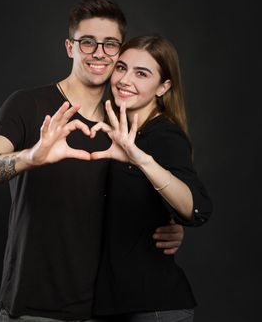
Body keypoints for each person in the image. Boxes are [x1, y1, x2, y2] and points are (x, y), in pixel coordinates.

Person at [0, 0, 185, 322]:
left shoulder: (127, 122)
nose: (99, 53)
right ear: (70, 47)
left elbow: (150, 194)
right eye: (88, 42)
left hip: (109, 310)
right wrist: (31, 156)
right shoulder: (29, 105)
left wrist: (168, 226)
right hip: (34, 307)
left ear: (119, 52)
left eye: (110, 45)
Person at [89, 35, 213, 321]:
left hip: (152, 306)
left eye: (141, 73)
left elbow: (197, 209)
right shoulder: (108, 128)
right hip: (106, 304)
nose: (124, 80)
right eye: (121, 68)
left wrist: (140, 159)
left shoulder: (164, 136)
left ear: (163, 86)